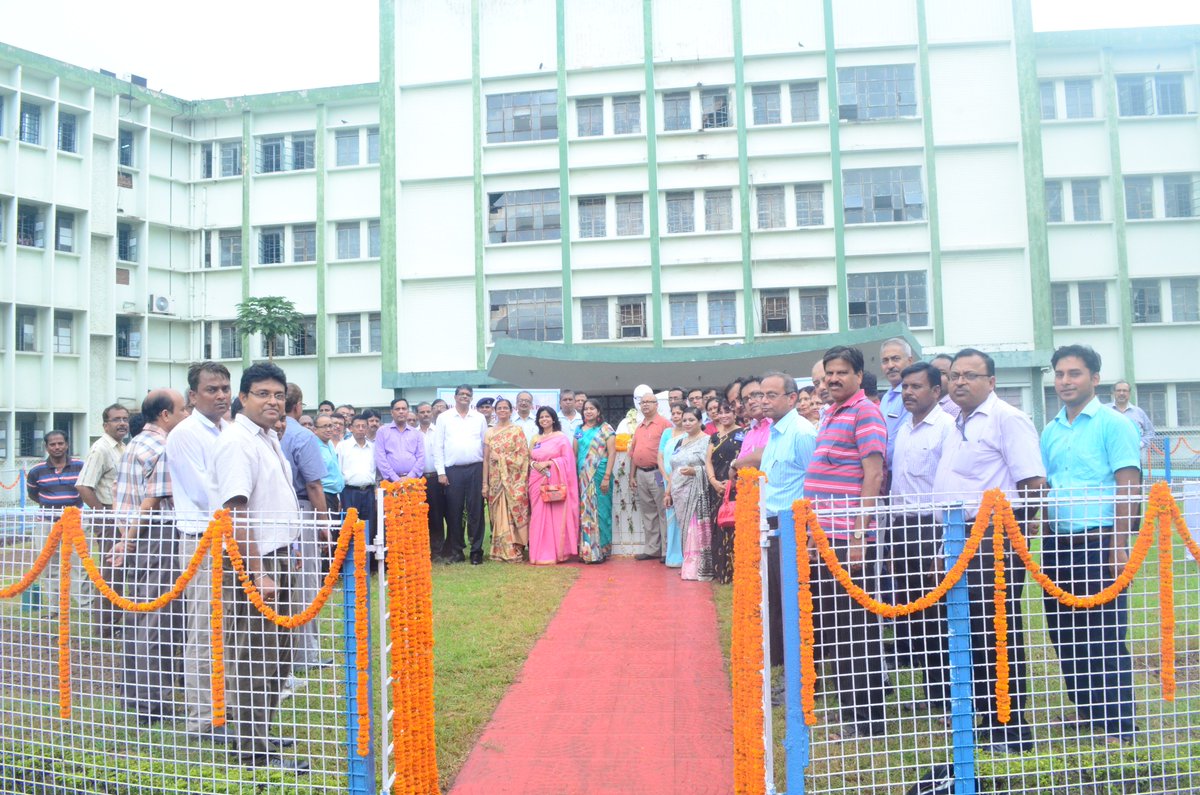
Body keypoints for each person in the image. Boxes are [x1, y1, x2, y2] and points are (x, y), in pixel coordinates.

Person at [933, 347, 1045, 754]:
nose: (959, 381)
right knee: (968, 627)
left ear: (992, 382)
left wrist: (1015, 535)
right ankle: (983, 715)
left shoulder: (1007, 419)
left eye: (970, 375)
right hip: (953, 534)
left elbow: (1033, 485)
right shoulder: (954, 422)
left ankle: (1010, 726)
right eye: (955, 375)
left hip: (995, 537)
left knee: (998, 628)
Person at [210, 362, 308, 773]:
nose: (273, 401)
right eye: (263, 394)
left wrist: (292, 547)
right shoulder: (237, 441)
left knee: (278, 656)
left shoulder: (267, 437)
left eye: (278, 395)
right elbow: (237, 512)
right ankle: (251, 750)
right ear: (244, 398)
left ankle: (259, 733)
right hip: (257, 562)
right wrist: (258, 571)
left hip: (279, 555)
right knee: (254, 657)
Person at [1041, 345, 1139, 744]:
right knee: (1063, 630)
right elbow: (1047, 489)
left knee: (1104, 632)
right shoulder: (1050, 429)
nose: (1065, 381)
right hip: (1057, 547)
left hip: (1099, 542)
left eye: (1075, 374)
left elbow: (1128, 486)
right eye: (1060, 374)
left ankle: (1119, 724)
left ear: (1094, 379)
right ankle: (1087, 709)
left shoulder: (1114, 425)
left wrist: (1119, 548)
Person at [803, 347, 888, 738]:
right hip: (822, 536)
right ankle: (851, 713)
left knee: (855, 631)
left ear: (858, 375)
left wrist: (858, 532)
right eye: (828, 374)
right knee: (834, 628)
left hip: (847, 539)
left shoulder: (865, 411)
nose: (832, 380)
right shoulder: (831, 412)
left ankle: (867, 721)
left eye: (841, 373)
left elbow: (873, 475)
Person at [110, 388, 187, 725]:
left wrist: (126, 540)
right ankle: (150, 701)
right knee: (158, 618)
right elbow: (152, 501)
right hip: (156, 536)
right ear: (165, 415)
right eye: (183, 410)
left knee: (142, 614)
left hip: (140, 537)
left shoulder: (136, 443)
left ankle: (138, 695)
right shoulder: (162, 447)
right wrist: (128, 541)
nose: (187, 416)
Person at [165, 362, 231, 740]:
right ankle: (203, 718)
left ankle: (231, 710)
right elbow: (206, 494)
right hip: (203, 540)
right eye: (211, 389)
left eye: (224, 388)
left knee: (232, 629)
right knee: (205, 630)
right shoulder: (186, 434)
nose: (220, 395)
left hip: (232, 538)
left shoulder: (228, 430)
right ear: (192, 396)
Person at [887, 361, 955, 718]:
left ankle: (948, 699)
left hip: (932, 529)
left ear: (935, 391)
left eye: (916, 387)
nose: (908, 393)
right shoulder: (902, 429)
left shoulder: (946, 428)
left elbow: (948, 490)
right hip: (902, 528)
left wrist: (942, 546)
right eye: (904, 388)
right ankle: (932, 695)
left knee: (939, 616)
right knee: (914, 617)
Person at [759, 372, 818, 671]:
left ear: (792, 398)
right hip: (771, 525)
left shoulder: (802, 433)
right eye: (762, 395)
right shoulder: (774, 431)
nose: (764, 401)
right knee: (775, 603)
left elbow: (814, 486)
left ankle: (802, 676)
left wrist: (809, 535)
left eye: (772, 395)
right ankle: (783, 668)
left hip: (792, 527)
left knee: (792, 605)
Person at [279, 383, 329, 672]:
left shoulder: (269, 433)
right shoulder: (301, 436)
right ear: (298, 407)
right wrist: (324, 522)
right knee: (306, 582)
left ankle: (294, 653)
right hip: (301, 510)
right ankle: (305, 655)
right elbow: (313, 484)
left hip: (273, 511)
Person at [76, 402, 130, 632]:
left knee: (122, 568)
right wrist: (103, 513)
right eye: (116, 420)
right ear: (105, 424)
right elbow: (83, 486)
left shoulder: (121, 446)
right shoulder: (101, 448)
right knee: (111, 570)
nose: (122, 424)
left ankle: (116, 620)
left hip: (122, 513)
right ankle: (105, 625)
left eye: (125, 419)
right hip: (109, 513)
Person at [26, 430, 86, 613]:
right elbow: (34, 494)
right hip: (46, 523)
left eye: (60, 443)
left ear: (67, 445)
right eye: (52, 444)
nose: (57, 447)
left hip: (75, 522)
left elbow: (86, 489)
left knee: (79, 564)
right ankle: (55, 608)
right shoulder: (37, 471)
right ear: (46, 447)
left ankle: (86, 606)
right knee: (47, 565)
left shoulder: (80, 466)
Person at [433, 385, 487, 565]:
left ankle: (476, 550)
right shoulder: (444, 418)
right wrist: (441, 472)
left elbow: (484, 445)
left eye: (468, 395)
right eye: (461, 394)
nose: (464, 397)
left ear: (471, 398)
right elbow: (438, 446)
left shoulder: (479, 418)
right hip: (452, 470)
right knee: (454, 511)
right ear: (455, 397)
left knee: (476, 510)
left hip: (475, 468)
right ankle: (456, 551)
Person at [664, 407, 715, 581]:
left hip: (696, 490)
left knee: (695, 528)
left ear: (700, 422)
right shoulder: (680, 442)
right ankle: (688, 564)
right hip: (678, 492)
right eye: (684, 420)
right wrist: (668, 492)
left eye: (691, 420)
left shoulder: (707, 441)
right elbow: (673, 469)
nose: (687, 423)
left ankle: (697, 568)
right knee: (684, 528)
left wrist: (695, 471)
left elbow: (710, 467)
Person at [527, 407, 580, 565]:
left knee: (555, 517)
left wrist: (550, 463)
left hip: (555, 481)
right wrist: (535, 464)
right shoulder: (536, 438)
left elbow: (568, 460)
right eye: (541, 417)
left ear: (553, 419)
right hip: (536, 480)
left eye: (547, 416)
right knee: (537, 516)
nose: (544, 419)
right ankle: (538, 553)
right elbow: (529, 458)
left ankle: (556, 552)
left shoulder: (561, 438)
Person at [482, 398, 530, 562]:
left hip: (514, 480)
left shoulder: (517, 430)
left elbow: (523, 457)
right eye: (499, 408)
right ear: (495, 411)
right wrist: (485, 483)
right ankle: (500, 548)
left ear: (511, 411)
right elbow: (486, 459)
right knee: (498, 512)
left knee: (513, 509)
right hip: (495, 479)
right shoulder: (489, 432)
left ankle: (515, 547)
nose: (502, 410)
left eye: (505, 408)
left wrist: (501, 457)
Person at [629, 391, 672, 562]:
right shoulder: (639, 427)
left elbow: (668, 452)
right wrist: (632, 476)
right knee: (648, 513)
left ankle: (666, 551)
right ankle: (652, 549)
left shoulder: (665, 425)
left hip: (658, 473)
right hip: (641, 473)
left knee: (663, 511)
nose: (645, 404)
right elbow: (633, 453)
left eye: (649, 401)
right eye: (642, 402)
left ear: (657, 404)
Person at [705, 400, 744, 584]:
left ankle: (735, 572)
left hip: (735, 487)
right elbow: (708, 461)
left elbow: (742, 459)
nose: (724, 415)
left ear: (734, 413)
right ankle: (720, 571)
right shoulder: (714, 437)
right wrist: (713, 481)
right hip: (716, 488)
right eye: (720, 412)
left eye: (727, 411)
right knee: (717, 525)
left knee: (733, 526)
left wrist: (731, 482)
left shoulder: (743, 434)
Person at [575, 398, 615, 564]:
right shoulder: (579, 430)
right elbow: (575, 452)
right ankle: (588, 551)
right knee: (585, 512)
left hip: (600, 474)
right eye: (586, 409)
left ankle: (602, 550)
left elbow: (612, 453)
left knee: (602, 512)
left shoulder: (606, 429)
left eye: (592, 408)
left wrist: (606, 476)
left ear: (598, 412)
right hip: (583, 476)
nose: (588, 411)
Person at [612, 385, 650, 553]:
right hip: (625, 474)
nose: (640, 402)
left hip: (651, 471)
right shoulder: (625, 422)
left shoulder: (660, 420)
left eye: (644, 399)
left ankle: (653, 547)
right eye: (637, 398)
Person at [337, 415, 377, 560]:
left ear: (367, 428)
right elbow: (338, 471)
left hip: (368, 491)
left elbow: (376, 472)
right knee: (350, 526)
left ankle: (367, 561)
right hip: (349, 492)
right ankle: (350, 561)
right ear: (351, 428)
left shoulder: (373, 447)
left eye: (363, 426)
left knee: (369, 526)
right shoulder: (343, 446)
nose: (360, 429)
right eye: (357, 426)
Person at [657, 402, 686, 568]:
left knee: (683, 518)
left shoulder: (690, 435)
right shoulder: (667, 433)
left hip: (682, 480)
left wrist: (674, 478)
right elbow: (660, 457)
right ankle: (673, 557)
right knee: (670, 518)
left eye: (679, 413)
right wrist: (666, 476)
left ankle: (684, 556)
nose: (676, 416)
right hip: (667, 480)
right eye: (673, 413)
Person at [415, 401, 445, 556]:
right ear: (417, 414)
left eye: (428, 411)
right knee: (420, 516)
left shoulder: (439, 431)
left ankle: (438, 551)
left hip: (436, 478)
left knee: (437, 515)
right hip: (419, 480)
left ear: (432, 413)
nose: (425, 414)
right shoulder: (412, 433)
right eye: (422, 412)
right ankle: (421, 550)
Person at [880, 337, 915, 468]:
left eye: (895, 359)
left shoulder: (912, 396)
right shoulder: (886, 397)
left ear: (910, 361)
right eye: (885, 361)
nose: (890, 366)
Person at [375, 398, 425, 483]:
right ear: (391, 412)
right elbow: (380, 458)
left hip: (413, 482)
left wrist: (409, 477)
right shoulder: (382, 432)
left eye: (404, 409)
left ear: (408, 412)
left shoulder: (417, 433)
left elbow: (421, 458)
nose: (401, 411)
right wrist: (395, 478)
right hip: (391, 482)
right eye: (397, 409)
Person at [731, 378, 770, 475]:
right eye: (745, 399)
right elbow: (738, 468)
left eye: (755, 395)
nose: (750, 402)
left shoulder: (778, 425)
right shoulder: (750, 433)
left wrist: (734, 464)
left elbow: (762, 458)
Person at [1107, 380, 1156, 455]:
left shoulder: (1138, 412)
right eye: (1118, 390)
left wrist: (1141, 444)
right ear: (1114, 393)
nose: (1121, 393)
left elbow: (1150, 432)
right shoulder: (1105, 411)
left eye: (1125, 391)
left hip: (1134, 459)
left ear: (1129, 393)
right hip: (1109, 458)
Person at [314, 414, 345, 514]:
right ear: (315, 429)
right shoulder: (313, 446)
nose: (328, 429)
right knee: (327, 528)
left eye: (330, 426)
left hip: (334, 495)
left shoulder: (330, 443)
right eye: (324, 426)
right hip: (323, 495)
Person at [929, 354, 961, 419]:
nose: (935, 377)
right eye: (931, 373)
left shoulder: (956, 406)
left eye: (942, 373)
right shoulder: (924, 402)